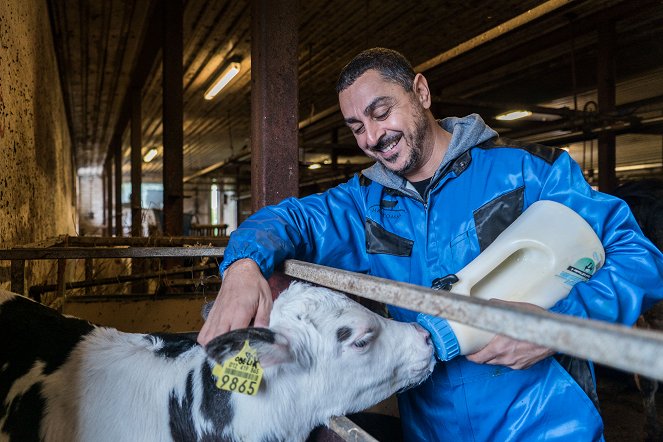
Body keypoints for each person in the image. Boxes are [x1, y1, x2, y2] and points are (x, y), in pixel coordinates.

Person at [198, 47, 663, 440]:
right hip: (432, 428)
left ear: (421, 91)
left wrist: (559, 324)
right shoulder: (362, 204)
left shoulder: (528, 172)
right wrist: (242, 267)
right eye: (357, 126)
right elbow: (286, 218)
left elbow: (638, 255)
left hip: (545, 422)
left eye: (381, 112)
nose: (373, 136)